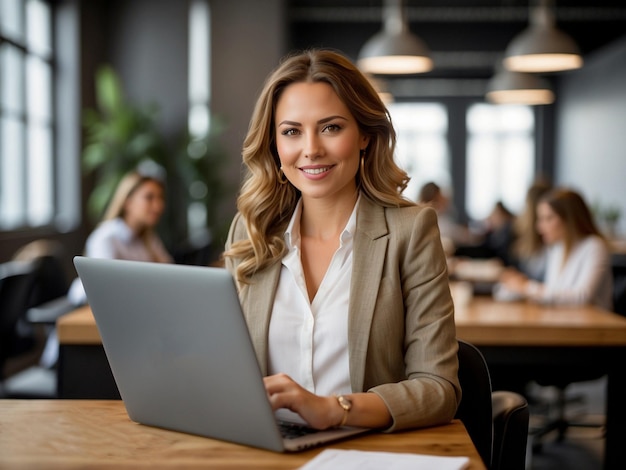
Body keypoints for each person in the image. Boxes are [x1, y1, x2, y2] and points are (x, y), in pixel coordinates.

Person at [222, 49, 460, 432]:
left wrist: (334, 408)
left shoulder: (410, 231)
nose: (311, 148)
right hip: (264, 448)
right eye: (291, 131)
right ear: (274, 144)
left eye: (331, 127)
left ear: (365, 134)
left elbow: (438, 390)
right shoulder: (250, 231)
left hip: (361, 448)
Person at [495, 187, 613, 310]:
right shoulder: (557, 249)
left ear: (569, 219)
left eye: (548, 218)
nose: (540, 227)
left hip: (594, 326)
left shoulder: (594, 247)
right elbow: (553, 292)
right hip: (564, 322)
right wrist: (519, 287)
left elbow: (582, 297)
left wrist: (527, 287)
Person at [68, 170, 173, 305]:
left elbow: (169, 273)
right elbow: (105, 289)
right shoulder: (106, 238)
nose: (159, 206)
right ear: (127, 202)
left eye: (160, 198)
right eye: (149, 197)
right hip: (85, 309)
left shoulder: (148, 238)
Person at [418, 181, 481, 256]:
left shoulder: (439, 216)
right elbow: (454, 233)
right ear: (434, 198)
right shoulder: (431, 219)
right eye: (441, 196)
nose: (445, 199)